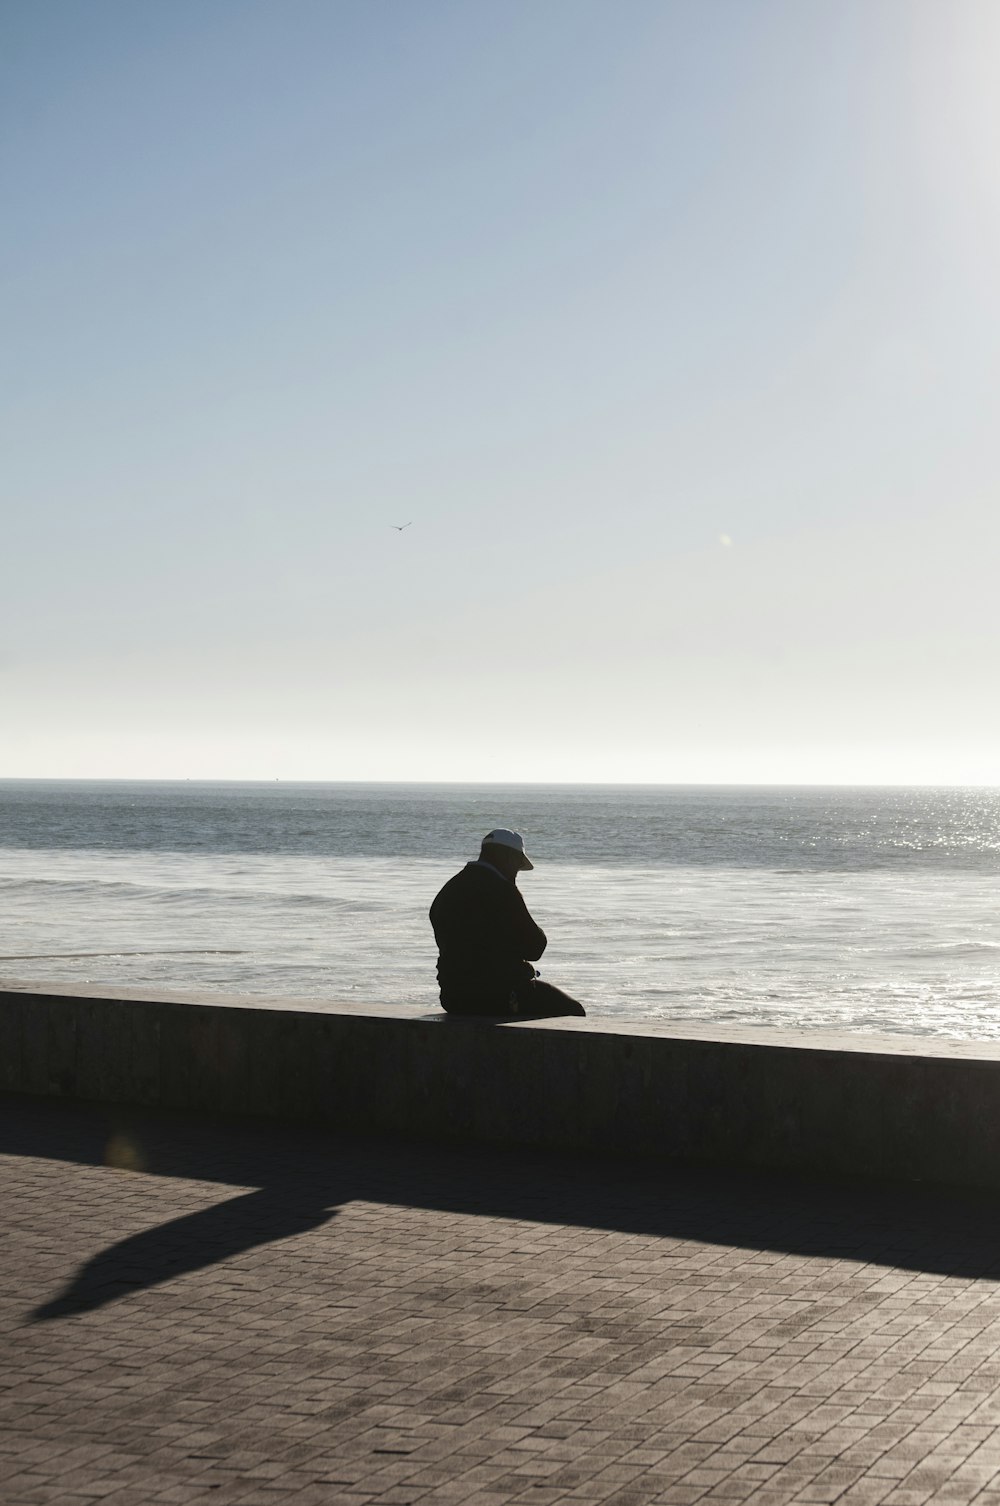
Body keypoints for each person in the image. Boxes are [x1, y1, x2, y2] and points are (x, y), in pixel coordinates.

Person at [429, 828, 586, 1018]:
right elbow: (535, 948)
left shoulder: (448, 890)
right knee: (573, 1012)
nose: (517, 872)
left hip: (453, 997)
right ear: (509, 858)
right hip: (498, 995)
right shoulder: (503, 890)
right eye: (519, 865)